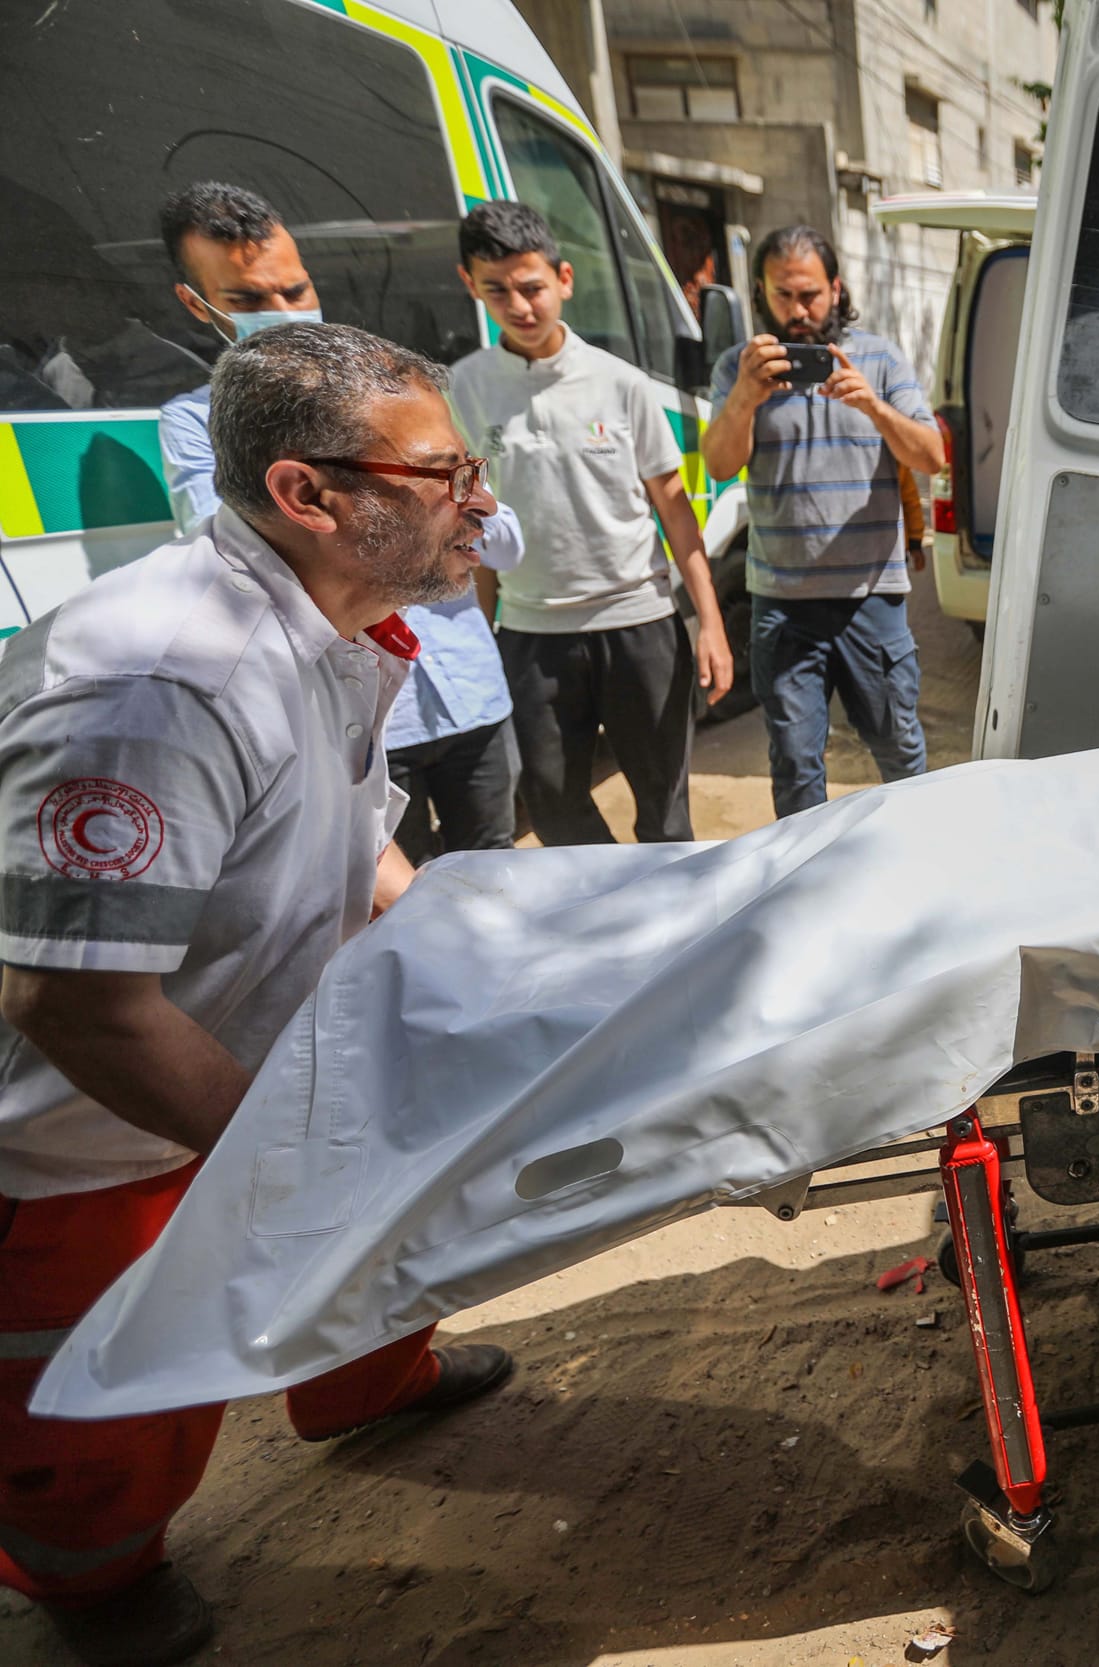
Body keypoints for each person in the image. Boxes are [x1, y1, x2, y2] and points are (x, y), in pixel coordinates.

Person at [0, 324, 519, 1666]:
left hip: (250, 1035)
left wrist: (471, 931)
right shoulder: (162, 681)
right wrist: (288, 1150)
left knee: (361, 1230)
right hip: (84, 1123)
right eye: (443, 473)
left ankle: (364, 1379)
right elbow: (75, 1008)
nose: (483, 501)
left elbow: (350, 822)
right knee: (104, 1388)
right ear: (310, 495)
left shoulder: (328, 620)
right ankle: (94, 1578)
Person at [155, 181, 524, 861]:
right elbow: (260, 566)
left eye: (294, 291)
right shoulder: (195, 424)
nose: (282, 311)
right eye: (247, 299)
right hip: (374, 718)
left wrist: (443, 495)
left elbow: (501, 535)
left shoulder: (398, 398)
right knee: (379, 897)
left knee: (489, 866)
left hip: (470, 690)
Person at [449, 201, 733, 846]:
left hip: (639, 624)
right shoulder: (465, 391)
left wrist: (710, 625)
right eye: (497, 291)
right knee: (550, 804)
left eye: (532, 288)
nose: (519, 307)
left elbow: (676, 516)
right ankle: (611, 921)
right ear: (471, 286)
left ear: (564, 280)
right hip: (532, 636)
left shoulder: (622, 384)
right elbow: (479, 532)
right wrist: (485, 638)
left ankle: (674, 930)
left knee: (665, 808)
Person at [700, 226, 946, 817]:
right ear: (761, 294)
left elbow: (932, 456)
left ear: (835, 288)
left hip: (872, 599)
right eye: (782, 296)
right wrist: (745, 398)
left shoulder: (882, 359)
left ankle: (917, 858)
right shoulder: (739, 367)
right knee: (794, 764)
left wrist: (873, 406)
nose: (798, 310)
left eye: (809, 294)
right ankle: (803, 883)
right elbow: (718, 464)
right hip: (783, 606)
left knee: (898, 751)